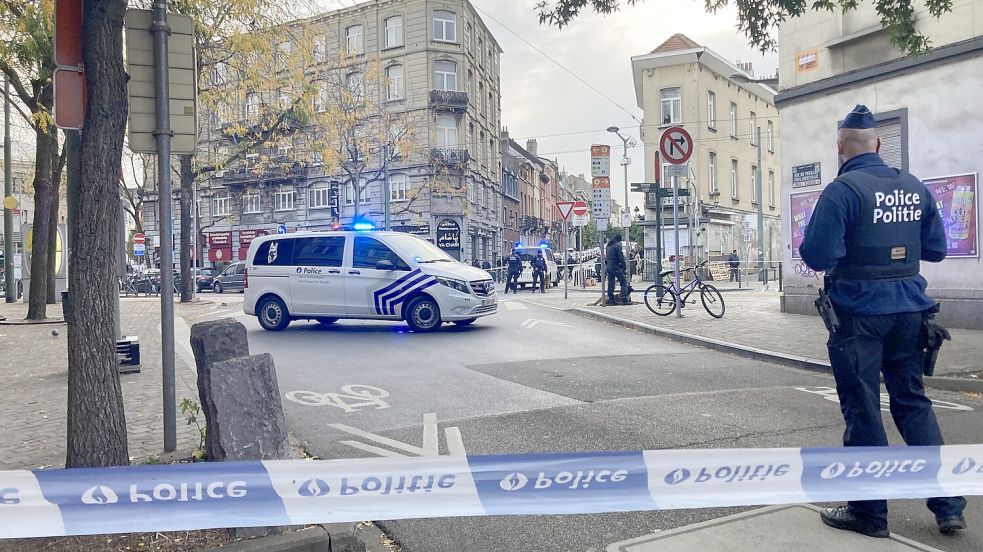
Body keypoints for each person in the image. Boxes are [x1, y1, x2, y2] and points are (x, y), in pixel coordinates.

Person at [800, 105, 965, 539]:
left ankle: (869, 513)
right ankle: (949, 505)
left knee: (864, 409)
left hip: (858, 317)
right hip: (911, 313)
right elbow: (937, 251)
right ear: (877, 143)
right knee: (913, 403)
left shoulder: (841, 192)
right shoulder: (914, 187)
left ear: (840, 148)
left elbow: (818, 256)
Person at [606, 234, 630, 304]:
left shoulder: (608, 245)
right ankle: (624, 299)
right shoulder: (617, 246)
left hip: (609, 267)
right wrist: (624, 267)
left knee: (611, 284)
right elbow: (621, 258)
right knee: (623, 282)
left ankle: (611, 300)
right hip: (616, 267)